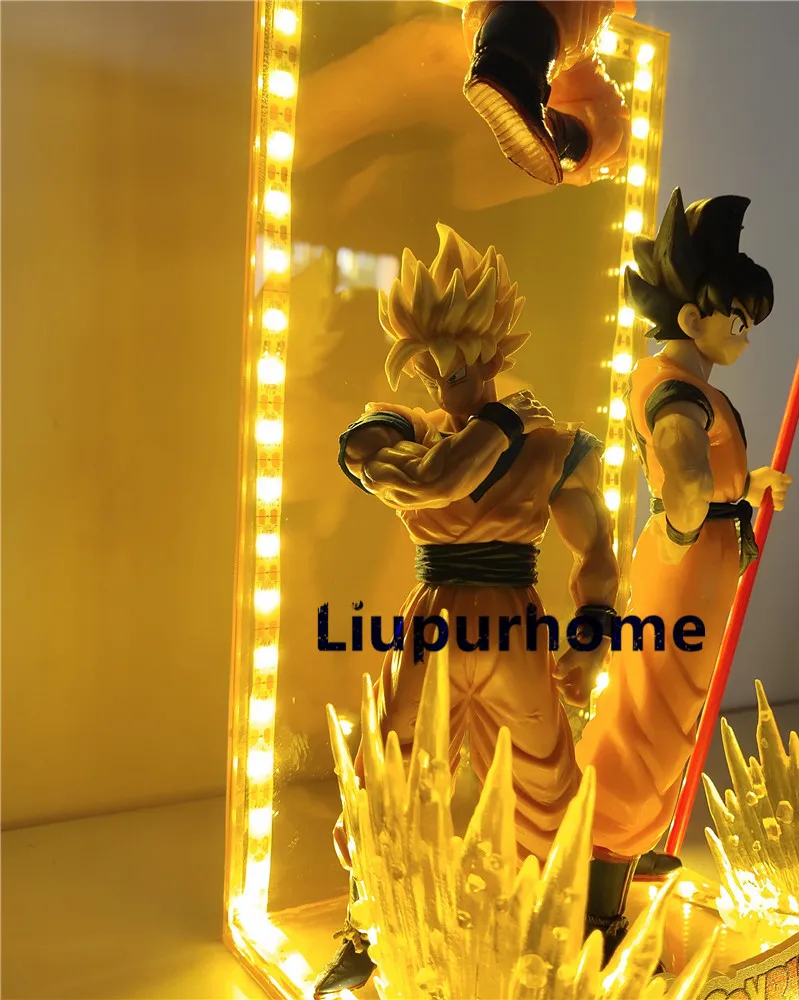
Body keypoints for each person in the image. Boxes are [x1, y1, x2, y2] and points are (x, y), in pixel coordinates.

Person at [314, 223, 619, 995]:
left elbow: (597, 552)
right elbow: (435, 482)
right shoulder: (393, 430)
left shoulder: (556, 445)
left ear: (493, 351)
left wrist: (591, 636)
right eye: (432, 364)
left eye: (460, 363)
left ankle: (546, 933)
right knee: (391, 775)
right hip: (434, 626)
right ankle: (368, 929)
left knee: (544, 785)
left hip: (515, 627)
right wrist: (506, 420)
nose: (446, 381)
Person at [571, 188, 792, 961]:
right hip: (684, 566)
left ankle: (632, 847)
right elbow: (684, 469)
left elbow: (711, 478)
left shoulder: (697, 386)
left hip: (699, 563)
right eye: (740, 320)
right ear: (695, 317)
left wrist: (750, 486)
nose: (746, 337)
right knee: (650, 716)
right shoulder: (673, 390)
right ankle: (599, 884)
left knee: (676, 714)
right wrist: (688, 518)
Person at [461, 0, 636, 186]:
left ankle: (552, 133)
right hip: (529, 37)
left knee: (611, 136)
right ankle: (511, 62)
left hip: (510, 38)